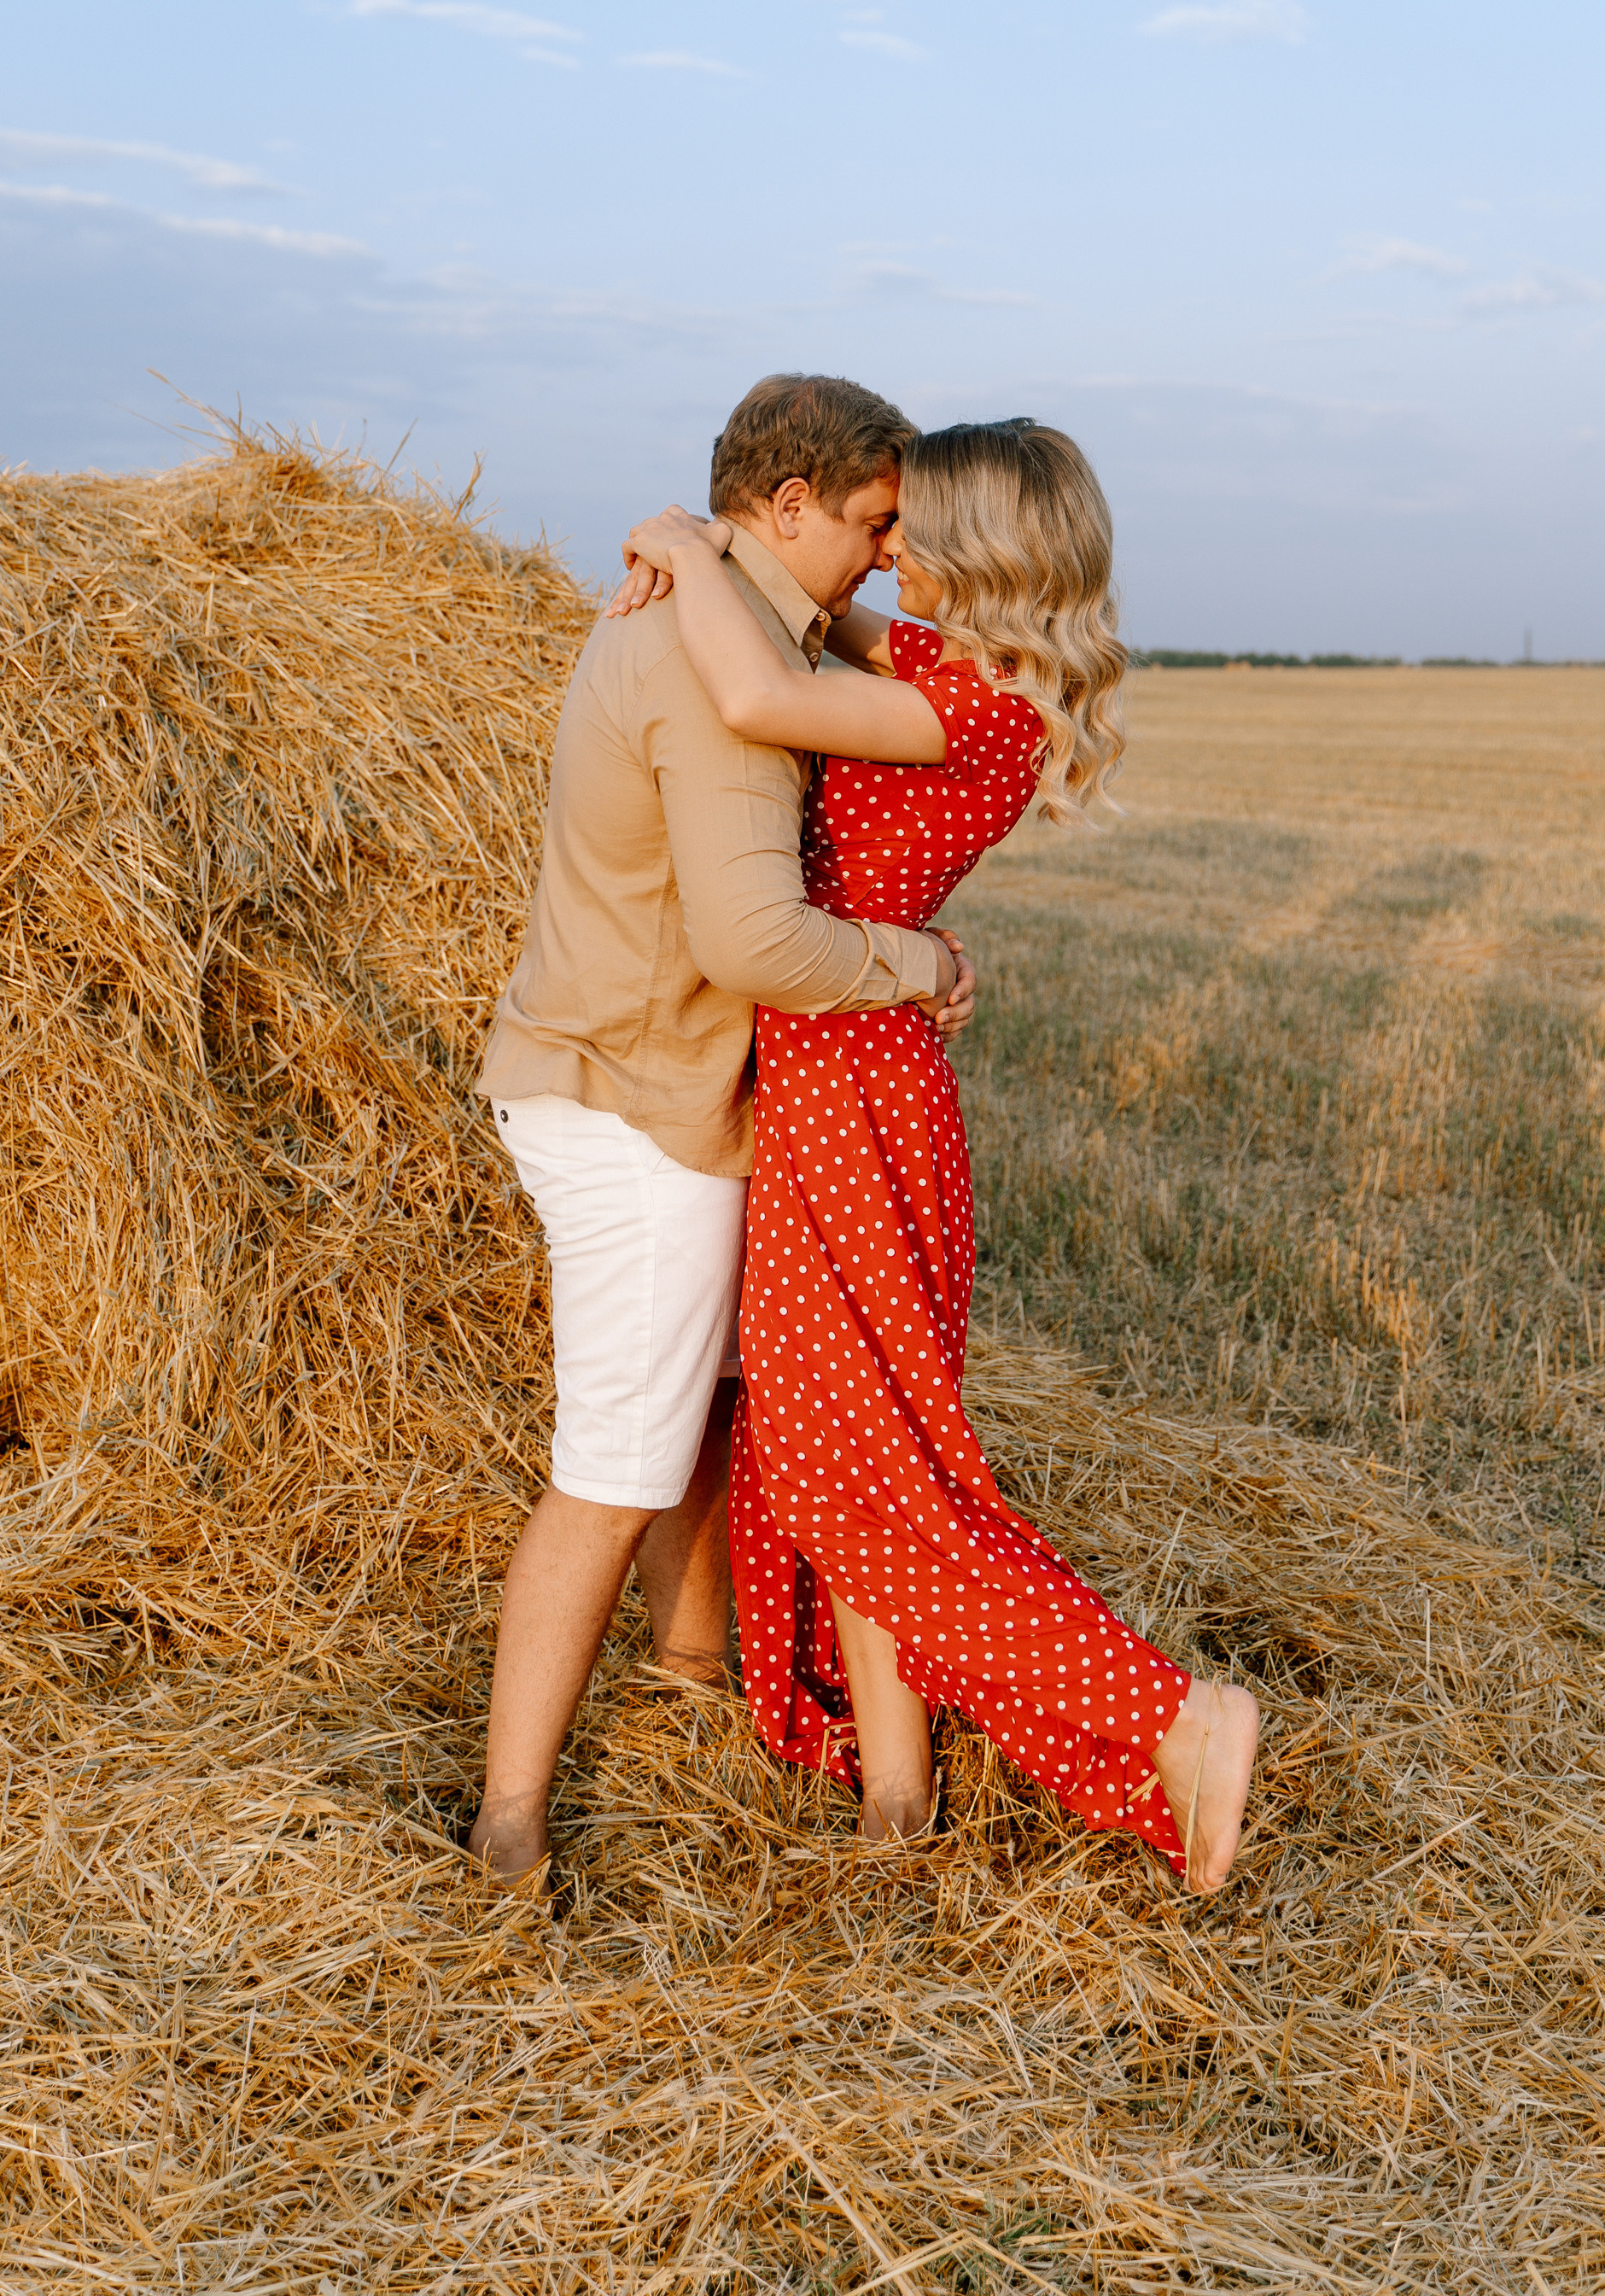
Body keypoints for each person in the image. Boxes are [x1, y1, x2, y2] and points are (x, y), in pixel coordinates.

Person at [614, 421, 1258, 1894]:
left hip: (859, 1098)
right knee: (853, 1465)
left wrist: (671, 536)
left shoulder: (971, 706)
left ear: (980, 553)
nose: (884, 551)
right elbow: (815, 616)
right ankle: (897, 1800)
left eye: (914, 532)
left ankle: (1177, 1717)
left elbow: (762, 682)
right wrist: (730, 550)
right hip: (844, 1083)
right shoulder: (944, 669)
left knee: (868, 1486)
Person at [469, 375, 976, 1884]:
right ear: (792, 505)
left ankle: (692, 1686)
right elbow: (757, 943)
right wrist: (920, 965)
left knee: (701, 1415)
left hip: (626, 1074)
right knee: (616, 1465)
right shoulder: (720, 659)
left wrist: (680, 537)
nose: (887, 557)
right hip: (643, 1102)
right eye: (874, 524)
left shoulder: (710, 608)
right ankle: (507, 1831)